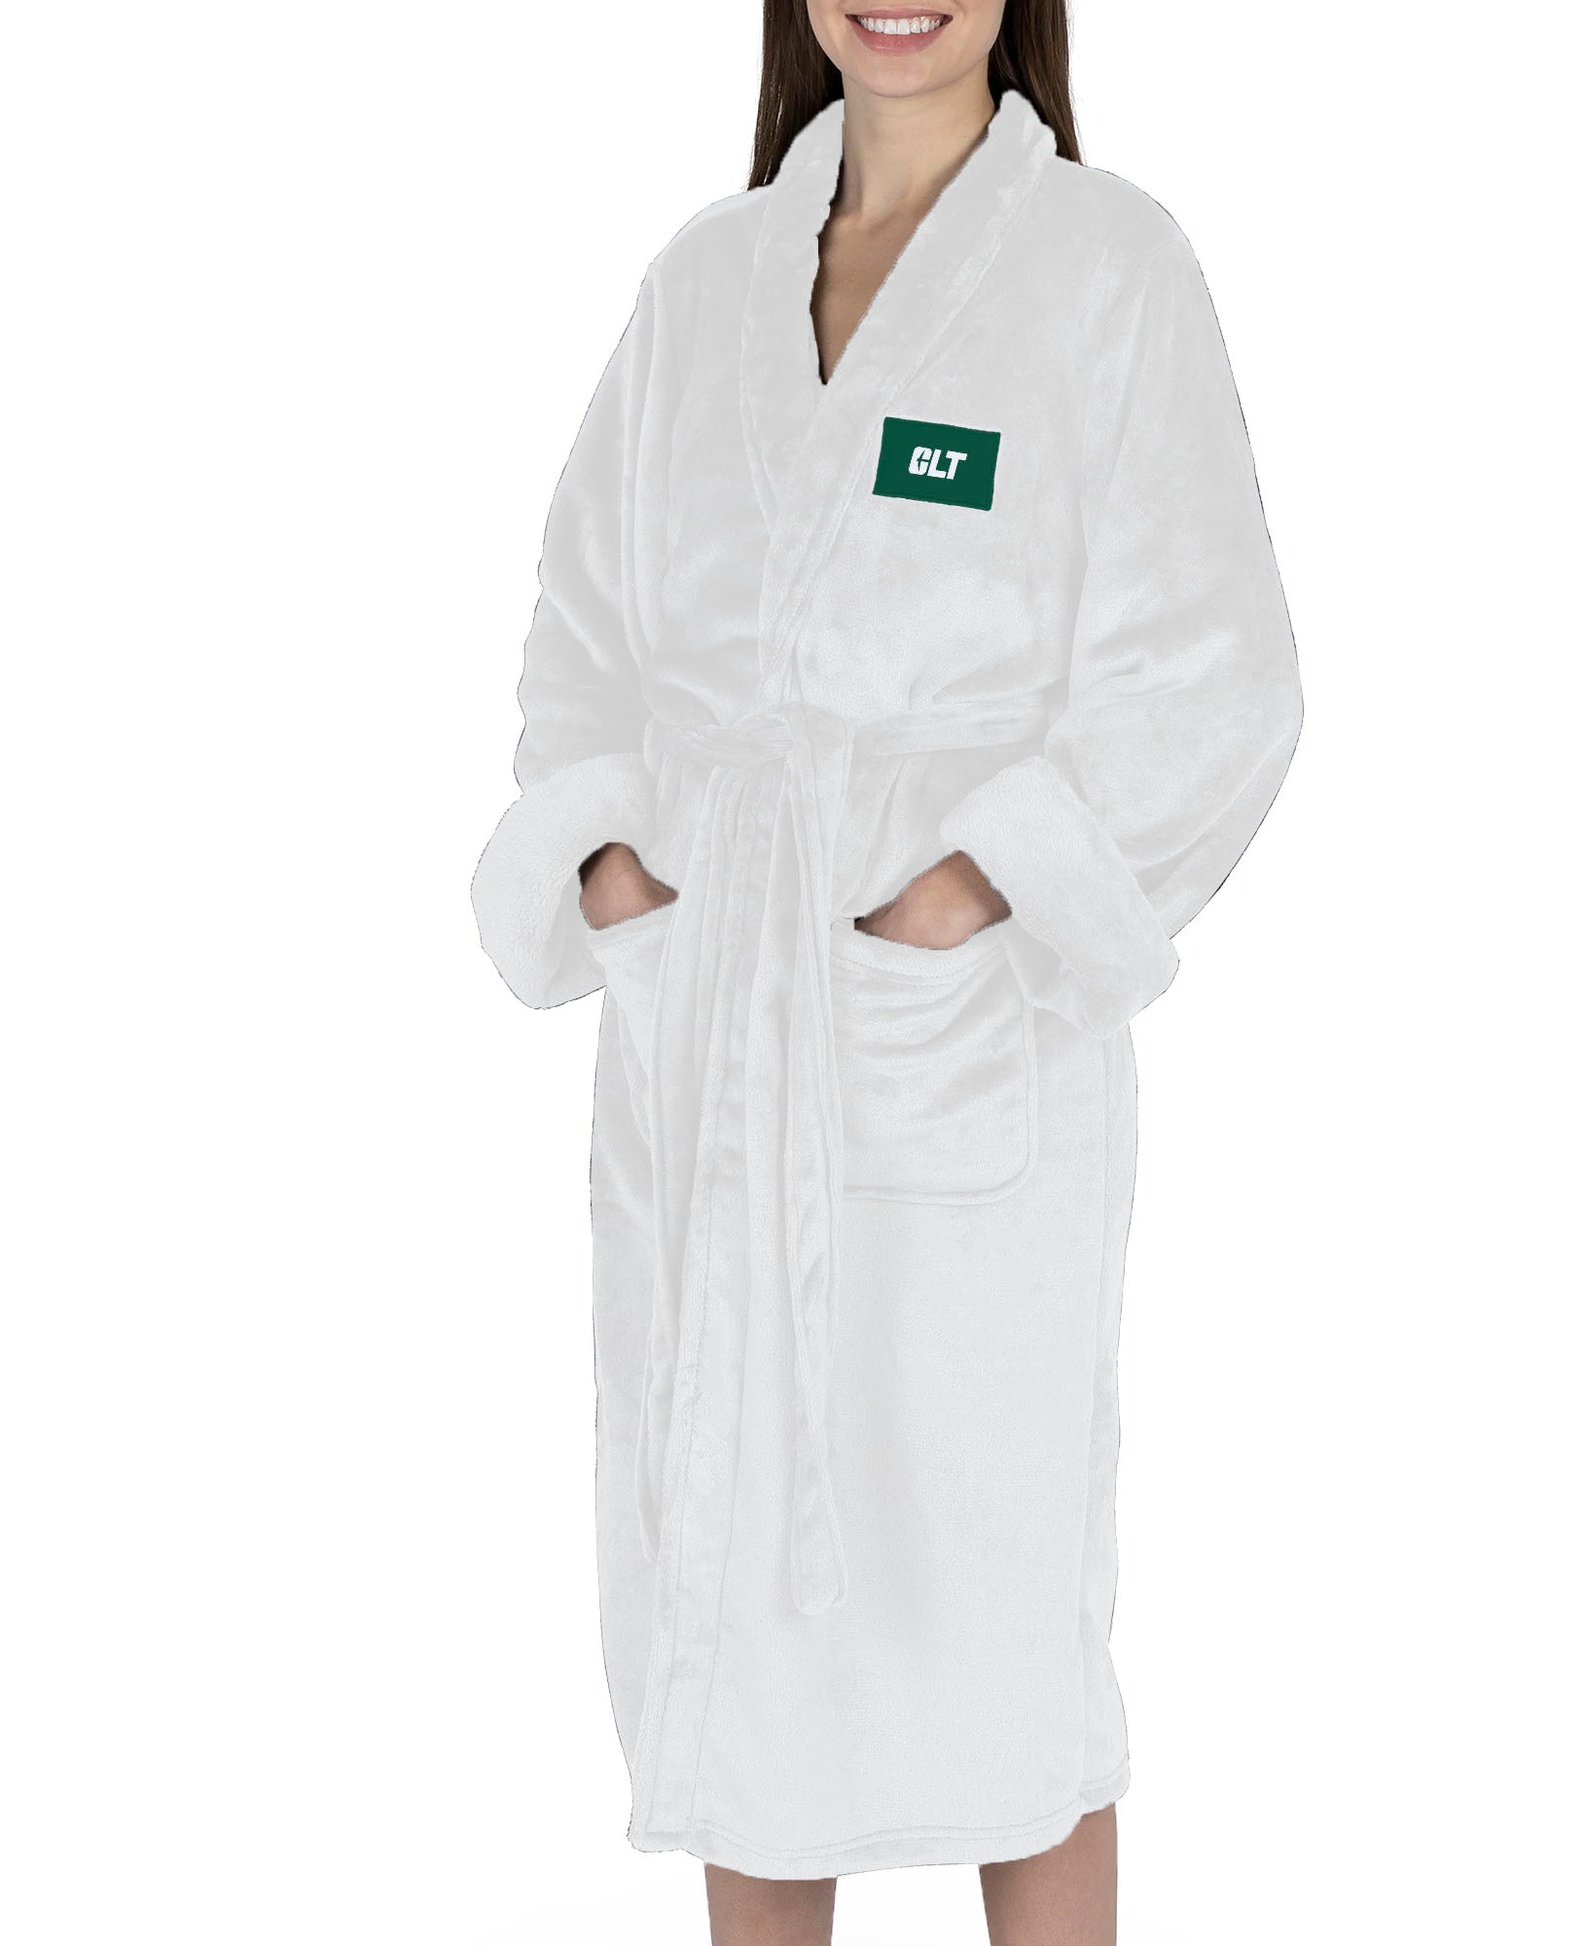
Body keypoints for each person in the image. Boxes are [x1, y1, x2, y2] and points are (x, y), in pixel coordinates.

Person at [470, 2, 1302, 1939]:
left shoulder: (1106, 269)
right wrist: (616, 873)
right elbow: (578, 637)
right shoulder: (699, 287)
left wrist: (981, 887)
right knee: (739, 1641)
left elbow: (1218, 671)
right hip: (717, 1046)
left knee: (1008, 1655)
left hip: (961, 1062)